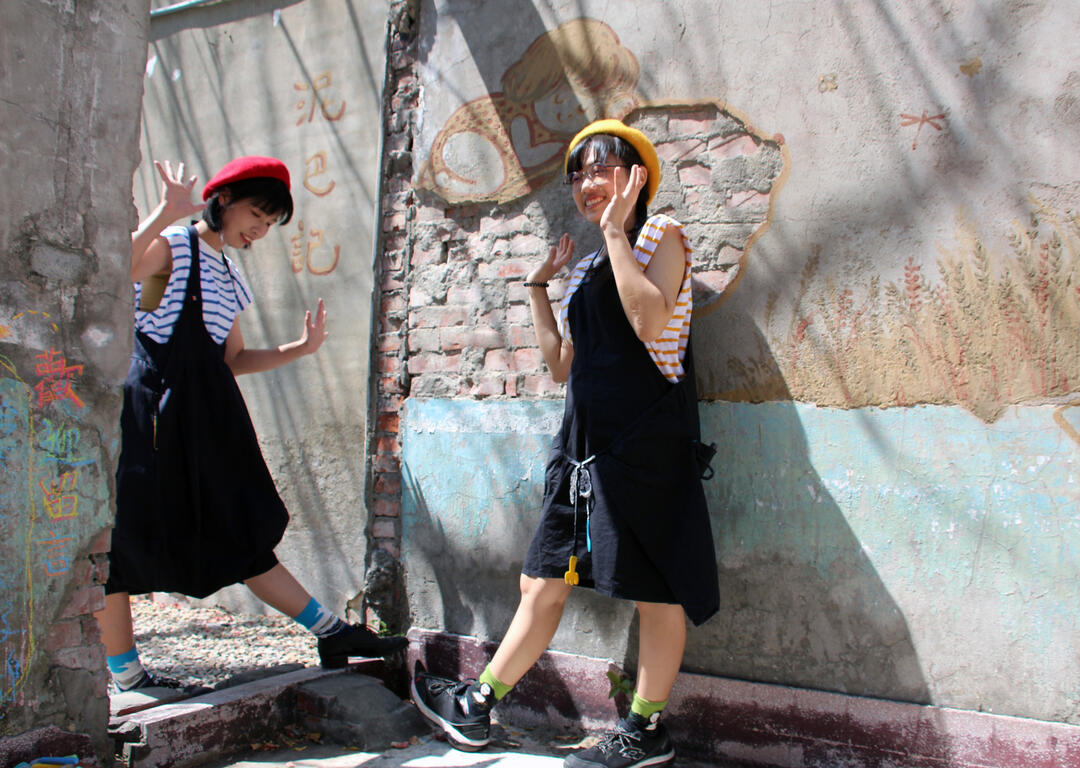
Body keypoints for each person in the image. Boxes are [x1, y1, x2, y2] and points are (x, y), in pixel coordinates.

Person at [411, 120, 719, 768]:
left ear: (636, 177)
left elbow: (649, 321)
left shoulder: (661, 235)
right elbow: (560, 366)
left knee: (657, 590)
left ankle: (645, 728)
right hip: (581, 448)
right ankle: (477, 703)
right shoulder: (583, 270)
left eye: (600, 169)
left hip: (644, 445)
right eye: (578, 175)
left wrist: (616, 232)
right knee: (541, 580)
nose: (586, 183)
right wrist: (536, 287)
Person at [95, 157, 405, 693]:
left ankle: (331, 632)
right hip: (158, 420)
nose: (260, 229)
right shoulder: (175, 245)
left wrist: (297, 349)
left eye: (269, 222)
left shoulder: (228, 274)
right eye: (256, 215)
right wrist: (165, 211)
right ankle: (126, 674)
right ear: (223, 200)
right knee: (125, 535)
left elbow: (231, 358)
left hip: (210, 419)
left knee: (241, 528)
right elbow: (118, 273)